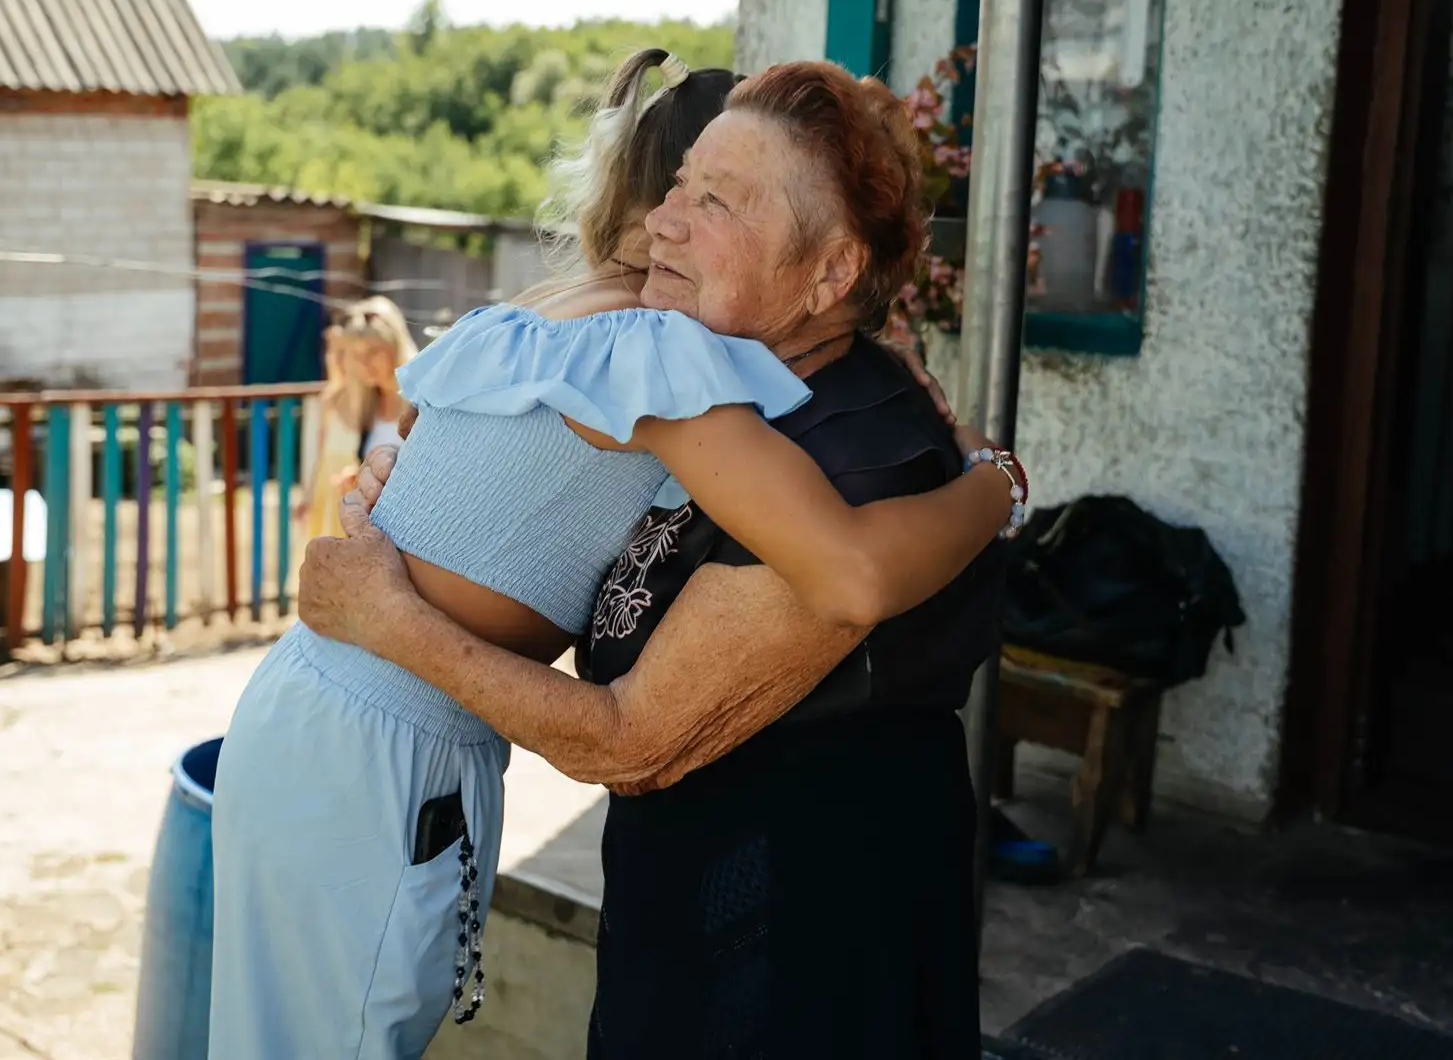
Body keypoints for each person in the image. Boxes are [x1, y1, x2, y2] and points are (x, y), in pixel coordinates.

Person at [209, 51, 1022, 1060]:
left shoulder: (648, 350)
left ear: (831, 268)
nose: (668, 225)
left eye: (718, 202)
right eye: (680, 187)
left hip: (781, 953)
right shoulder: (676, 360)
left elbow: (654, 713)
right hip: (405, 761)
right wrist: (999, 477)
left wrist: (991, 477)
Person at [302, 296, 415, 540]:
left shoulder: (420, 404)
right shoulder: (366, 405)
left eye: (374, 351)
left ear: (395, 346)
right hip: (371, 535)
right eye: (357, 354)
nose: (364, 363)